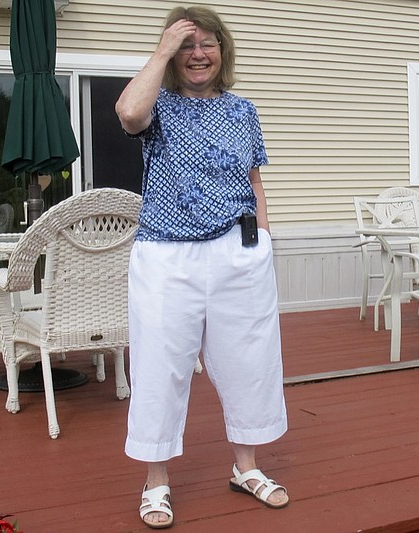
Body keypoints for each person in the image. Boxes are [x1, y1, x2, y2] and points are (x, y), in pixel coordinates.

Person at [115, 5, 289, 530]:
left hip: (240, 251)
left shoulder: (244, 111)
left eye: (208, 43)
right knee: (159, 366)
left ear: (223, 50)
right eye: (188, 45)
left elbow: (254, 181)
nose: (198, 54)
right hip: (168, 255)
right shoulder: (158, 105)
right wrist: (162, 48)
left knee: (249, 360)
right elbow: (127, 113)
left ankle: (247, 468)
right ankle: (156, 481)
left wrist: (263, 239)